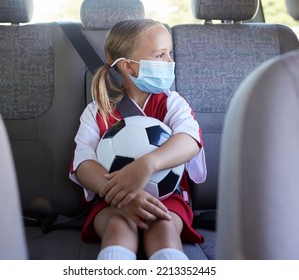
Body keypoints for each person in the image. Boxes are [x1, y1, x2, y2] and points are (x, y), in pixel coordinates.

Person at [69, 18, 207, 260]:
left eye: (170, 53)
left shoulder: (171, 102)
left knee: (163, 227)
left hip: (167, 198)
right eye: (160, 55)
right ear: (129, 67)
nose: (171, 62)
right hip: (112, 202)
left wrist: (147, 165)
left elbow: (189, 139)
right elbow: (83, 163)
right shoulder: (98, 110)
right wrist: (122, 195)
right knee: (118, 227)